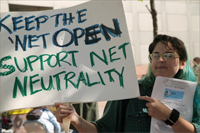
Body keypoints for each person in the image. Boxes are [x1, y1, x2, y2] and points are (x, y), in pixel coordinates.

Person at [54, 34, 200, 132]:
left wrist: (169, 115)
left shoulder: (195, 94)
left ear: (182, 63)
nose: (161, 59)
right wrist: (76, 120)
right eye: (156, 55)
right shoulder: (131, 90)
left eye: (168, 55)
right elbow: (102, 130)